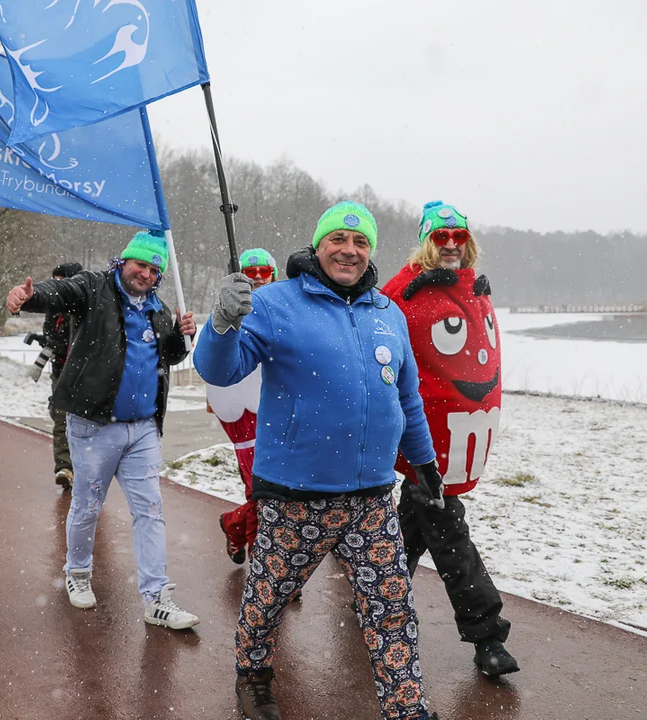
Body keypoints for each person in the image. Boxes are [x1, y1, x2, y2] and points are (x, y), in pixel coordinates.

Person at [194, 202, 443, 720]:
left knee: (391, 610)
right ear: (318, 245)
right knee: (269, 598)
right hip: (294, 495)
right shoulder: (276, 304)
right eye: (337, 240)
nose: (349, 251)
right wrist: (222, 323)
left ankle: (408, 708)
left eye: (360, 243)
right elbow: (220, 371)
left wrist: (423, 464)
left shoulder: (387, 314)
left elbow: (408, 398)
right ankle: (254, 674)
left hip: (372, 498)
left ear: (370, 251)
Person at [6, 230, 201, 631]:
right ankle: (77, 572)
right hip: (94, 426)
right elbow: (57, 294)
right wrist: (30, 297)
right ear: (123, 262)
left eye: (153, 269)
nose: (145, 274)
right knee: (87, 505)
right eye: (140, 264)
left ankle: (156, 596)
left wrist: (184, 338)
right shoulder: (93, 287)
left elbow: (169, 355)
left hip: (143, 428)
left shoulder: (158, 309)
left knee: (150, 510)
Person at [382, 201, 517, 677]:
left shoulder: (472, 288)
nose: (452, 245)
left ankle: (374, 591)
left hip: (453, 437)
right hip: (422, 439)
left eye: (459, 236)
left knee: (409, 530)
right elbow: (382, 350)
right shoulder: (402, 292)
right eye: (442, 237)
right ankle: (487, 635)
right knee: (447, 529)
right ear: (426, 241)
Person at [208, 248, 277, 564]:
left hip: (280, 414)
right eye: (251, 273)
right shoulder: (228, 310)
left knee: (273, 494)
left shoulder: (282, 310)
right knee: (263, 494)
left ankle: (235, 526)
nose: (259, 278)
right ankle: (265, 565)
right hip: (245, 415)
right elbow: (213, 360)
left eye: (265, 271)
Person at [37, 261, 83, 490]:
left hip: (85, 375)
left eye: (61, 280)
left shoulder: (88, 305)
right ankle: (64, 467)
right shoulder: (52, 308)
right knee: (60, 418)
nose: (57, 286)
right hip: (60, 372)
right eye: (55, 281)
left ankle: (87, 469)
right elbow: (50, 334)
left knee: (88, 422)